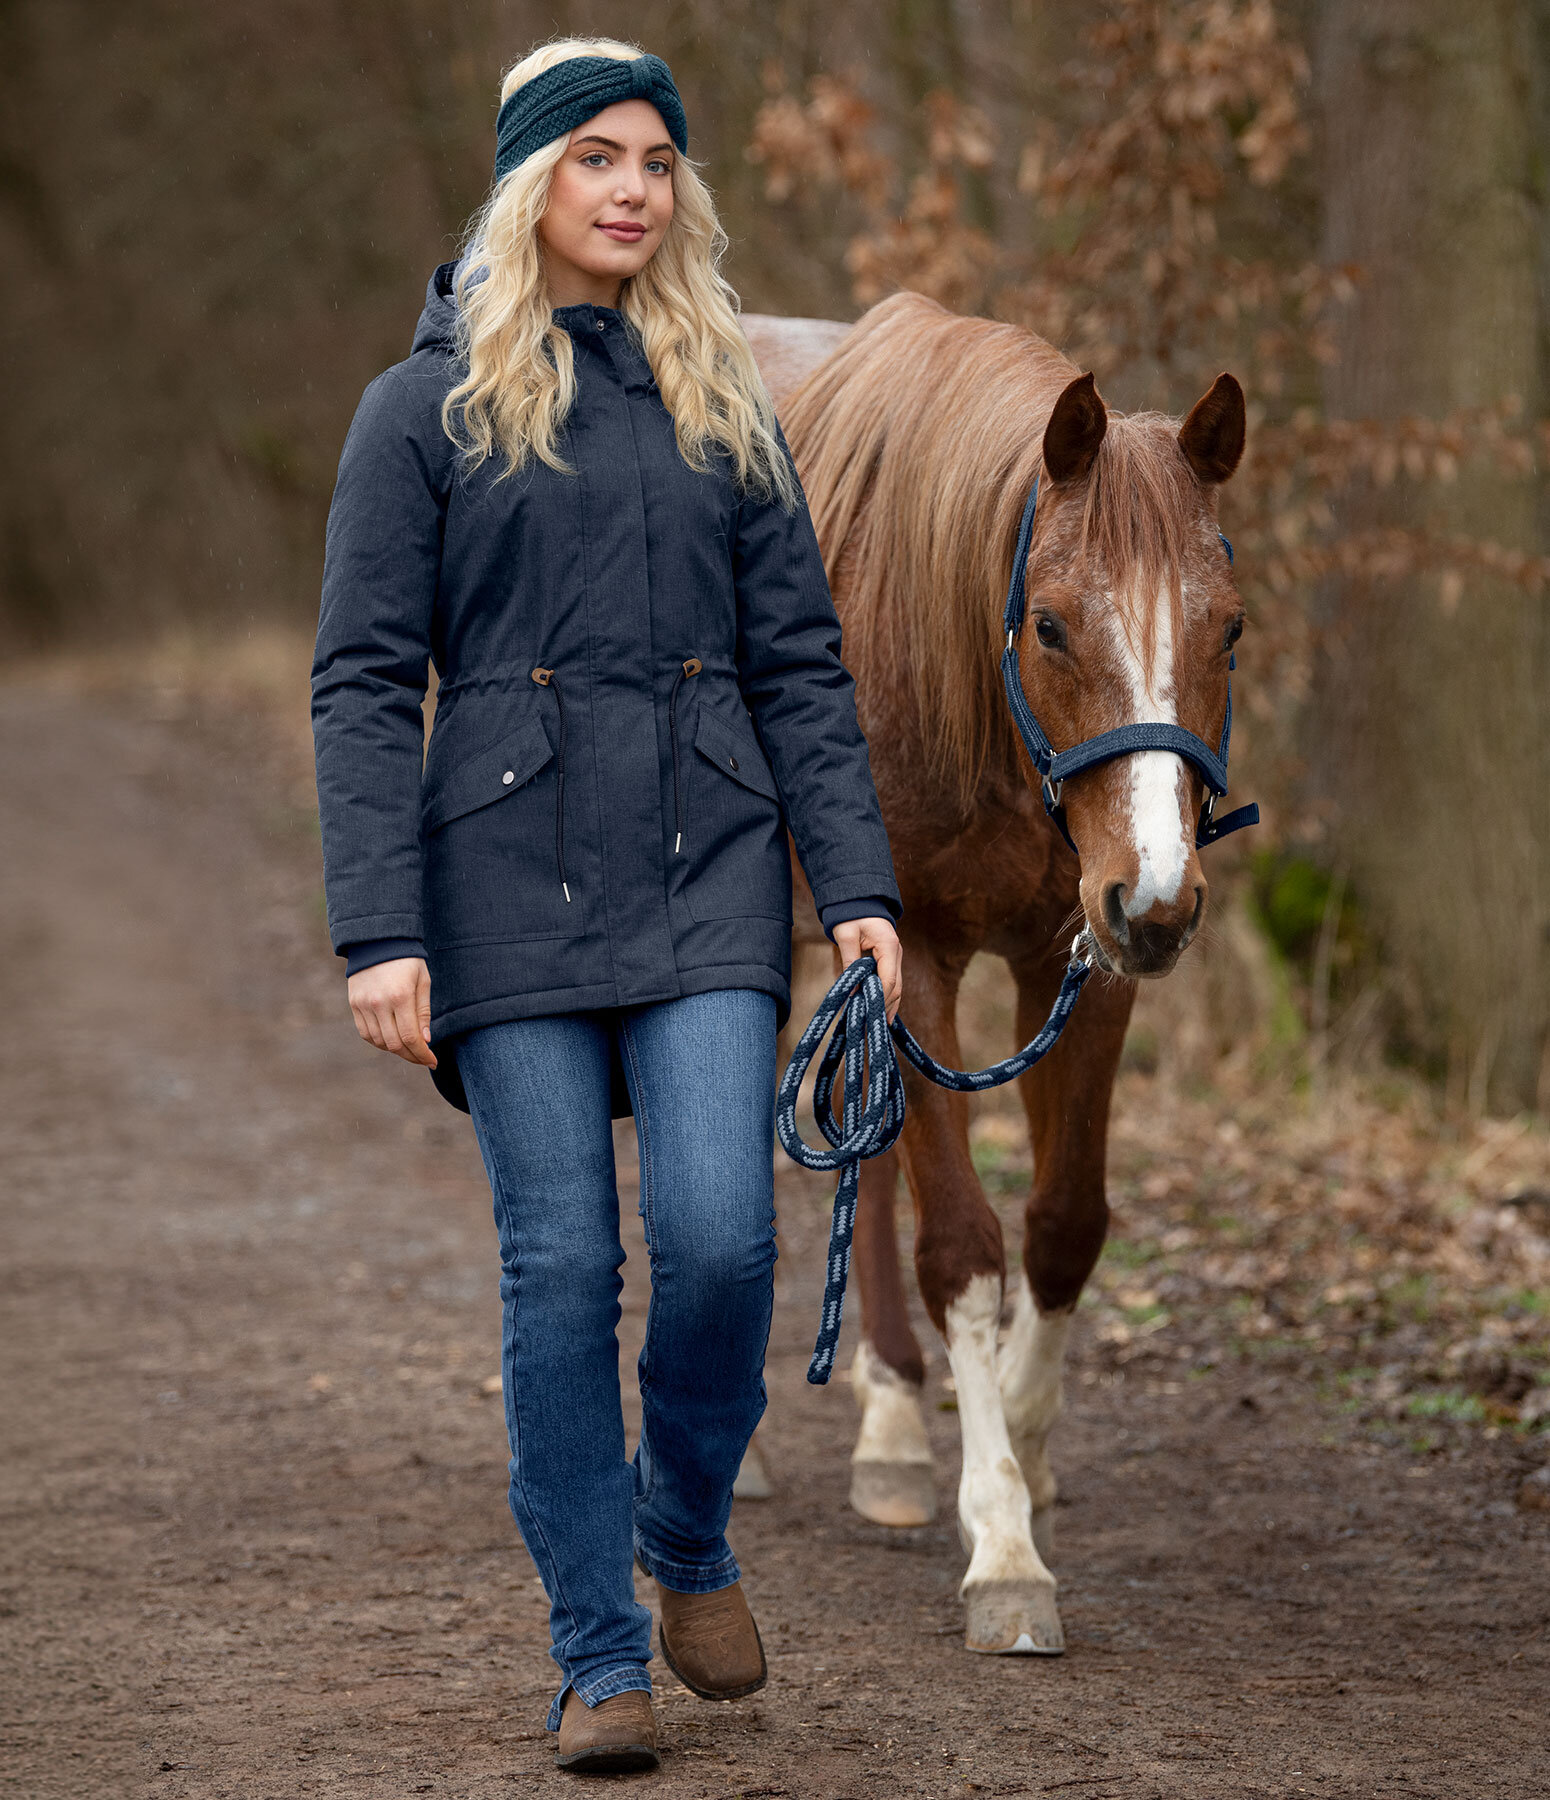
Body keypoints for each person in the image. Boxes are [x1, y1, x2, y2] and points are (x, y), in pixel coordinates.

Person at [310, 36, 903, 1776]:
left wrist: (855, 887)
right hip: (496, 893)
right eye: (595, 158)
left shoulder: (724, 402)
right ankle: (594, 1656)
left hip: (708, 870)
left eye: (654, 159)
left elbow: (802, 663)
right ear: (527, 185)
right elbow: (359, 683)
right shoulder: (412, 412)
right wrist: (379, 927)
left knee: (721, 1238)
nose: (633, 186)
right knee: (561, 1271)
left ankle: (687, 1535)